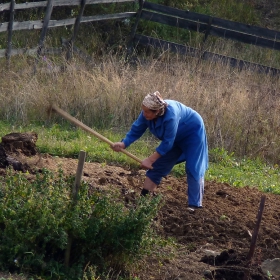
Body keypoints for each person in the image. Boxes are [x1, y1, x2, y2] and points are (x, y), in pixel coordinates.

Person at [111, 91, 208, 208]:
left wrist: (149, 160)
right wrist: (123, 143)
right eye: (143, 110)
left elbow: (167, 143)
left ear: (157, 112)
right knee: (157, 165)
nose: (144, 114)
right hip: (174, 138)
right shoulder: (145, 114)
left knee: (193, 167)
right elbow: (137, 129)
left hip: (192, 133)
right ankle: (144, 200)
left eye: (147, 112)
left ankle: (194, 206)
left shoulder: (171, 115)